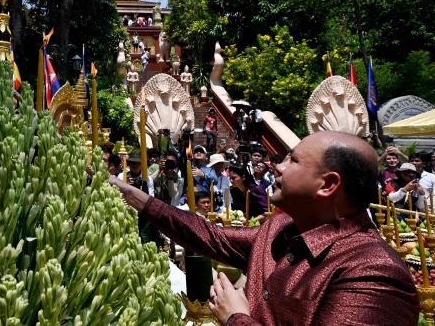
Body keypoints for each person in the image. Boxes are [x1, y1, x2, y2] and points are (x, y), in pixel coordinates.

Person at [109, 131, 418, 325]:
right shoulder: (280, 229)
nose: (278, 166)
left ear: (328, 184)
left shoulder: (374, 273)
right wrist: (131, 195)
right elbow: (210, 236)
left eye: (293, 161)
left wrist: (236, 318)